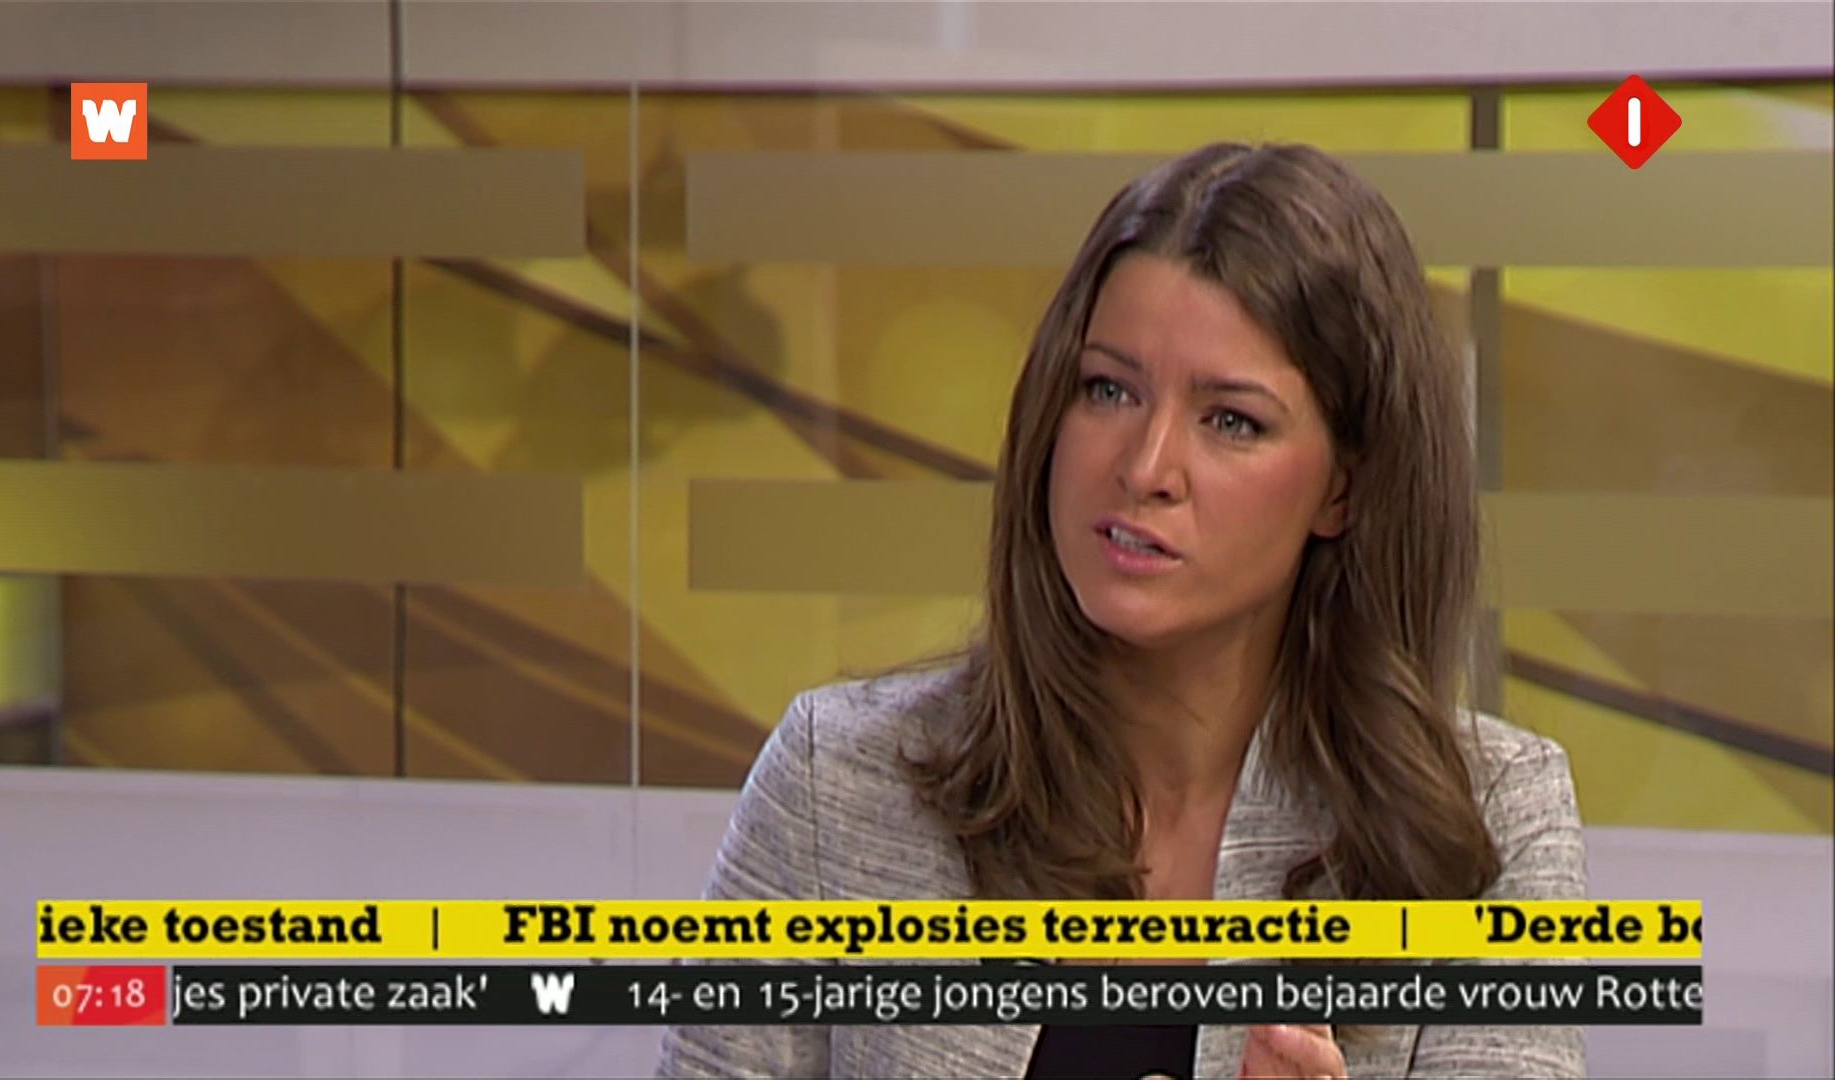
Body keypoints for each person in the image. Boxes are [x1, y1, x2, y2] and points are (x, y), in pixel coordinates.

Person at [657, 142, 1588, 1079]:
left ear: (1343, 488)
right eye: (1109, 390)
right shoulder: (834, 787)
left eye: (1231, 421)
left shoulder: (1492, 826)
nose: (1144, 469)